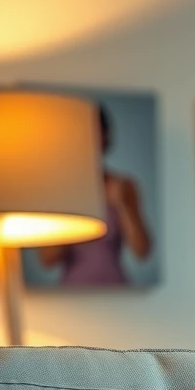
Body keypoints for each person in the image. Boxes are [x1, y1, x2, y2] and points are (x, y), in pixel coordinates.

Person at [38, 104, 153, 285]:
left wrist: (122, 205)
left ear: (105, 136)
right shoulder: (61, 189)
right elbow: (48, 260)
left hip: (117, 290)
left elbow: (142, 252)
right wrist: (73, 206)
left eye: (95, 132)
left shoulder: (123, 186)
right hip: (73, 293)